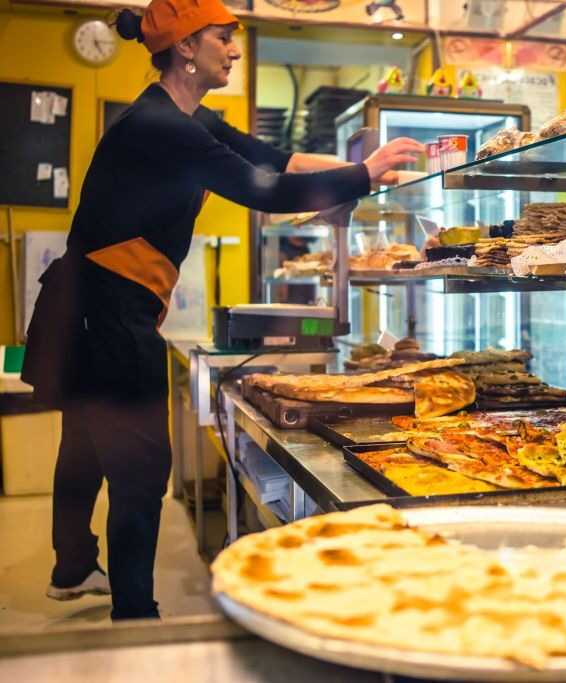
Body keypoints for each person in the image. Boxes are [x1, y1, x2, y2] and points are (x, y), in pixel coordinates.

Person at [20, 0, 422, 620]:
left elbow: (274, 160)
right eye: (223, 38)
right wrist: (362, 175)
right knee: (141, 466)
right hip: (105, 309)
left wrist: (368, 170)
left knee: (85, 446)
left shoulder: (189, 120)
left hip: (90, 305)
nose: (234, 49)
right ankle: (134, 613)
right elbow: (265, 190)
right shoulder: (161, 126)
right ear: (185, 47)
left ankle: (73, 568)